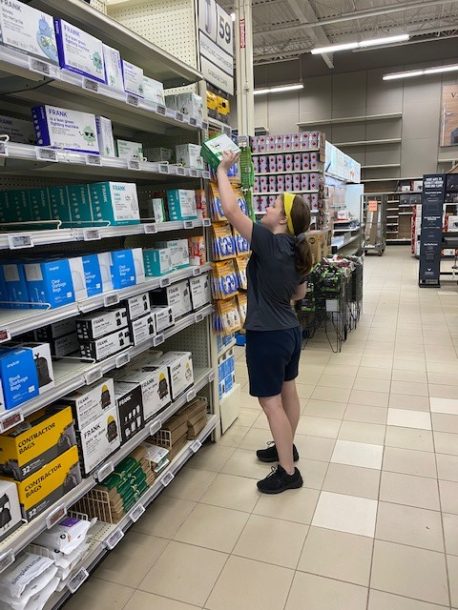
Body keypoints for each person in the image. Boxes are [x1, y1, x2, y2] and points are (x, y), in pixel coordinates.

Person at [217, 150, 313, 494]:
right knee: (289, 392)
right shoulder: (299, 250)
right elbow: (299, 295)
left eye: (273, 206)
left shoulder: (268, 241)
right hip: (289, 332)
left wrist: (222, 169)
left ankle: (287, 472)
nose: (267, 209)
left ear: (283, 219)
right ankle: (286, 446)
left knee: (270, 403)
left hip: (268, 336)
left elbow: (230, 210)